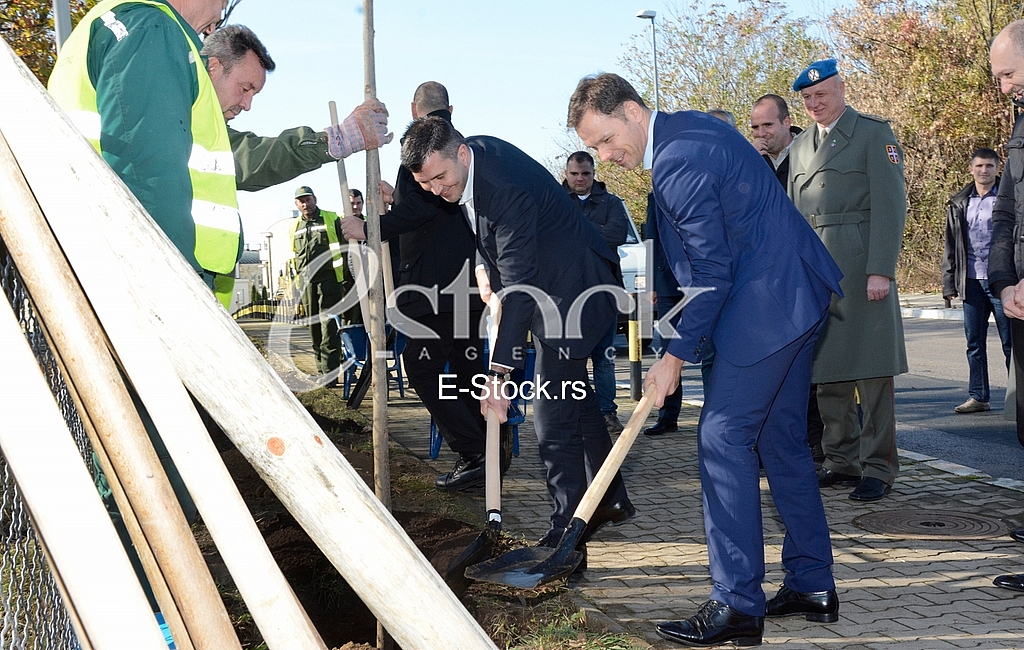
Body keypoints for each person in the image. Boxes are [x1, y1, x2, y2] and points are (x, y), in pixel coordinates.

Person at [569, 72, 842, 648]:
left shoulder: (676, 162)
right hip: (794, 294)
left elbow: (713, 273)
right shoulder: (687, 133)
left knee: (721, 439)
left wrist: (673, 356)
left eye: (604, 139)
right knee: (781, 441)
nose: (604, 155)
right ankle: (813, 582)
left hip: (765, 307)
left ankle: (737, 603)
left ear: (633, 113)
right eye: (594, 147)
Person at [399, 116, 635, 567]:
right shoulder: (471, 163)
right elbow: (492, 236)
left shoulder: (502, 184)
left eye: (439, 178)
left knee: (551, 412)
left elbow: (522, 284)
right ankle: (608, 497)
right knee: (576, 399)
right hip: (553, 285)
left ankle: (567, 532)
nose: (433, 189)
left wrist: (499, 374)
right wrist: (485, 268)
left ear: (461, 154)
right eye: (424, 182)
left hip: (576, 291)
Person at [340, 81, 507, 491]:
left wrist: (367, 227)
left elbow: (418, 214)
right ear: (451, 107)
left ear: (414, 109)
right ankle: (490, 453)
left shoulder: (421, 147)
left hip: (433, 288)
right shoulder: (460, 147)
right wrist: (397, 199)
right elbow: (433, 210)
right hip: (468, 283)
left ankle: (474, 452)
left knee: (422, 365)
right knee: (467, 368)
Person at [788, 59, 908, 503]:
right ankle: (840, 459)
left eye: (822, 94)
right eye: (807, 98)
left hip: (861, 269)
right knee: (828, 374)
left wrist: (882, 268)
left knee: (873, 371)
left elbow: (891, 206)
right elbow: (794, 219)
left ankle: (879, 466)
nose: (815, 103)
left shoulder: (873, 134)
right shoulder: (800, 147)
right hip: (818, 272)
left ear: (841, 90)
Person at [988, 20, 1024, 593]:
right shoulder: (1019, 123)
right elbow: (1005, 211)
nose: (1003, 87)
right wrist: (1004, 280)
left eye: (1009, 74)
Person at [562, 151, 631, 434]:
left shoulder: (612, 202)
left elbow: (616, 234)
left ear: (594, 173)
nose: (580, 179)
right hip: (566, 294)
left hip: (604, 292)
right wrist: (595, 232)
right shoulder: (554, 200)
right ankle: (579, 413)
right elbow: (550, 237)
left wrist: (576, 227)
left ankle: (607, 413)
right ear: (566, 173)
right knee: (572, 360)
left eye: (586, 174)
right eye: (575, 174)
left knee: (604, 359)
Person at [942, 148, 1012, 414]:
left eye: (990, 166)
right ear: (971, 169)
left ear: (997, 168)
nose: (985, 171)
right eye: (980, 166)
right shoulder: (960, 202)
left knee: (1011, 343)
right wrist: (949, 283)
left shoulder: (1008, 199)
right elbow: (951, 245)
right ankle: (978, 396)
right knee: (974, 343)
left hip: (1002, 280)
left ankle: (1018, 398)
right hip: (970, 280)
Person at [290, 186, 360, 384]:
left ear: (315, 199)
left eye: (308, 199)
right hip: (306, 284)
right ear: (296, 204)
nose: (305, 203)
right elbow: (293, 256)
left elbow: (346, 249)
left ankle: (329, 375)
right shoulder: (294, 226)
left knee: (329, 327)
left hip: (330, 281)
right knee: (313, 327)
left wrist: (345, 280)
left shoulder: (331, 219)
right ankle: (321, 371)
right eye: (301, 201)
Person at [643, 194, 683, 436]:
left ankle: (715, 418)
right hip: (668, 285)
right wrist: (650, 284)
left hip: (704, 285)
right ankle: (667, 417)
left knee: (712, 357)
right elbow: (651, 240)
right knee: (669, 352)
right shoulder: (655, 197)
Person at [750, 94, 802, 187]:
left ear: (787, 122)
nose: (761, 133)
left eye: (768, 125)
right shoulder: (751, 158)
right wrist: (750, 161)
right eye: (755, 127)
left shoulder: (811, 151)